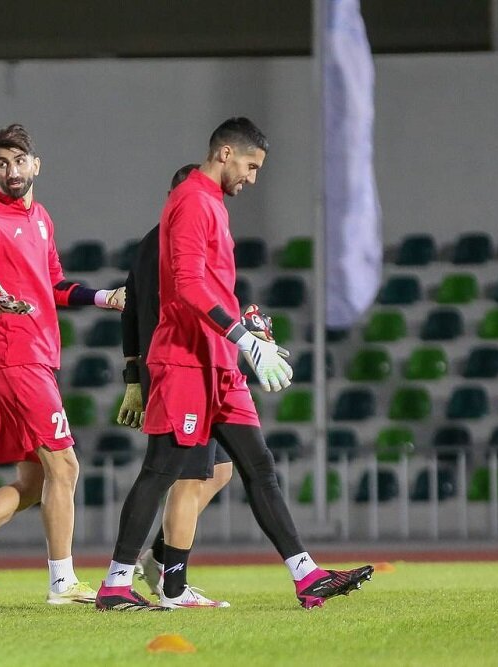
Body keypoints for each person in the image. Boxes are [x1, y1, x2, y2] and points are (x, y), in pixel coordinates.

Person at [95, 118, 374, 611]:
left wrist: (248, 327)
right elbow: (185, 283)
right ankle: (116, 585)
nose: (252, 177)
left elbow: (212, 287)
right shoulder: (190, 200)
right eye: (251, 165)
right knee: (162, 470)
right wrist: (243, 337)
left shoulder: (212, 205)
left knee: (259, 467)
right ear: (225, 153)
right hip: (185, 361)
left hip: (220, 361)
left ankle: (306, 577)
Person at [0, 123, 125, 606]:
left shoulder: (41, 219)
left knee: (32, 483)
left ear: (36, 165)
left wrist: (102, 297)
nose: (12, 170)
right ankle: (63, 583)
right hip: (16, 357)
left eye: (19, 161)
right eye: (2, 163)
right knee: (67, 466)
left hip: (31, 357)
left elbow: (53, 284)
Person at [116, 164, 234, 607]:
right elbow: (142, 309)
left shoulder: (152, 241)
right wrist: (137, 377)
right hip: (180, 366)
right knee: (184, 476)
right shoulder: (168, 243)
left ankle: (161, 556)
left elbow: (129, 312)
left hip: (174, 366)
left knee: (217, 469)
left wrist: (133, 375)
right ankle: (169, 581)